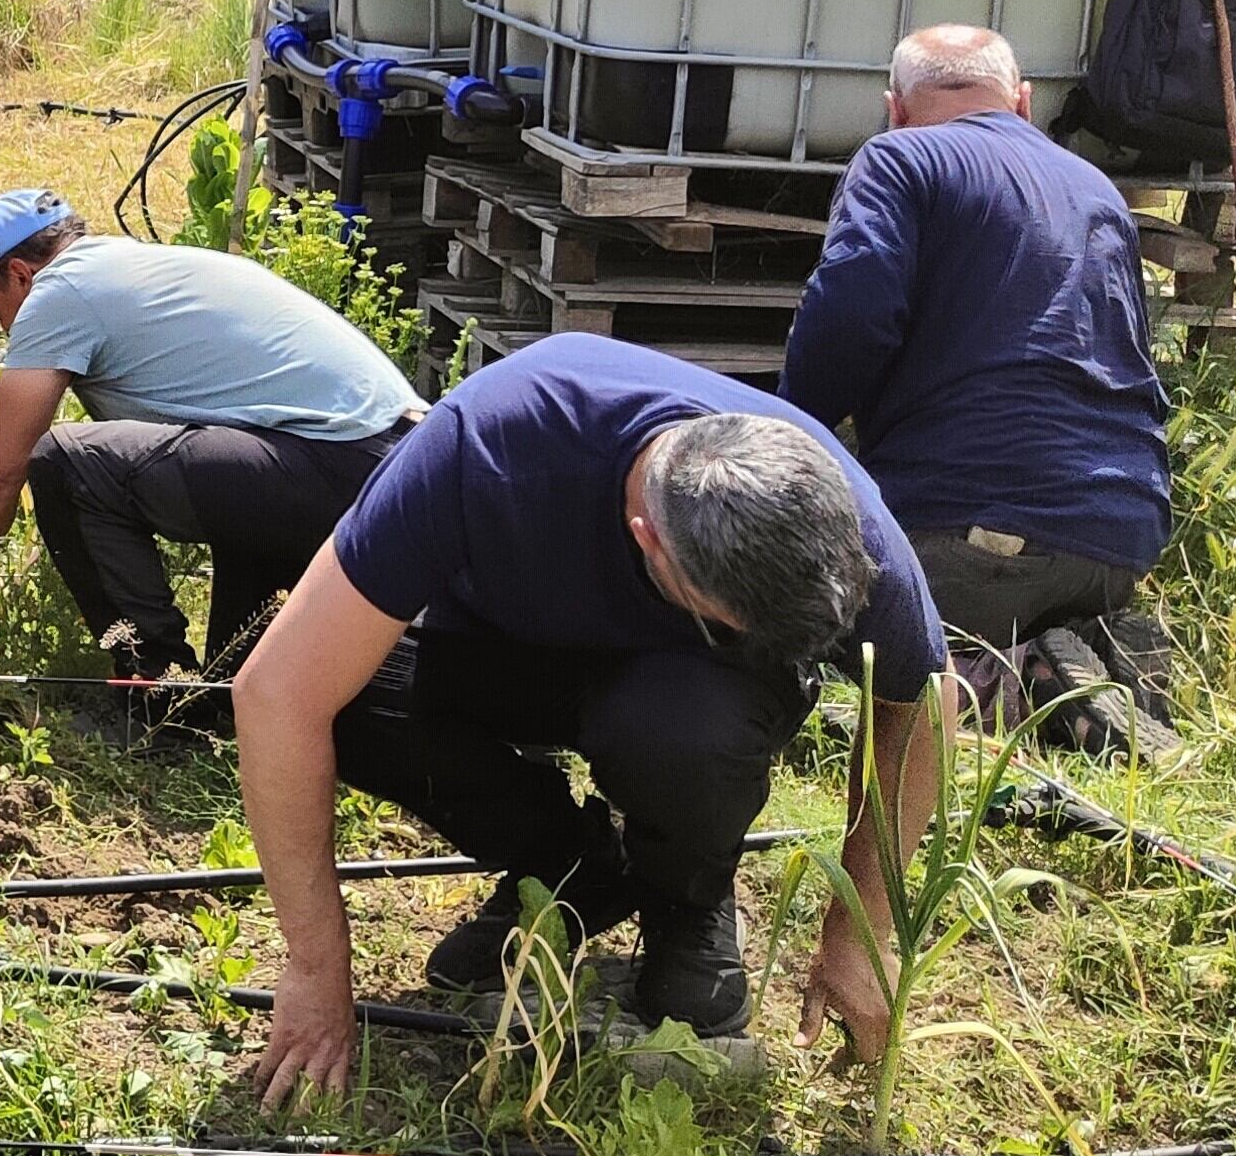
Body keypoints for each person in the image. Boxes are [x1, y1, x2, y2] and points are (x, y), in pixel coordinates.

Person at [229, 336, 951, 1099]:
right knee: (354, 703)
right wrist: (316, 962)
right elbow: (278, 692)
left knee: (680, 732)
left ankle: (686, 898)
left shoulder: (840, 525)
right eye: (728, 619)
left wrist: (860, 927)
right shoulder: (491, 448)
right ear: (649, 541)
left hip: (685, 691)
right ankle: (572, 867)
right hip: (502, 644)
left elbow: (922, 704)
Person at [784, 23, 1177, 749]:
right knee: (1006, 587)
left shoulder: (900, 158)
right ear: (1021, 103)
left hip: (967, 535)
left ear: (894, 107)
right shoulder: (1096, 189)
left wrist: (787, 443)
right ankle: (1088, 644)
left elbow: (852, 311)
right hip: (1121, 538)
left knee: (799, 617)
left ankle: (1018, 684)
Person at [0, 189, 422, 700]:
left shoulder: (60, 292)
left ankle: (158, 692)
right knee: (240, 683)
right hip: (391, 464)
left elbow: (0, 473)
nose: (2, 326)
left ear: (18, 274)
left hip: (334, 461)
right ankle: (226, 700)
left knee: (68, 463)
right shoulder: (140, 266)